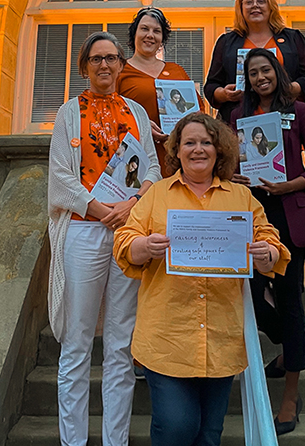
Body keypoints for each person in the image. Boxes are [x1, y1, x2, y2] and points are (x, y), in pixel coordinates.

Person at [113, 112, 290, 446]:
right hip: (167, 337)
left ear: (218, 150)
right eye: (189, 143)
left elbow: (271, 241)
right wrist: (144, 246)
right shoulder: (156, 195)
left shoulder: (241, 199)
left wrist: (268, 252)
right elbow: (124, 243)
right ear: (176, 150)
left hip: (220, 337)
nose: (198, 149)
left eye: (206, 142)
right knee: (176, 426)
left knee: (209, 435)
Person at [48, 31, 161, 446]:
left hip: (127, 234)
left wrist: (131, 206)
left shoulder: (134, 110)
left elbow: (151, 169)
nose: (105, 66)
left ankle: (116, 441)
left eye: (112, 58)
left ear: (120, 63)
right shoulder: (67, 113)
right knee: (76, 344)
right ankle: (73, 441)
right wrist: (101, 210)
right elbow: (61, 178)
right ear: (84, 66)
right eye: (96, 59)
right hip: (83, 230)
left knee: (119, 345)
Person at [231, 48, 305, 436]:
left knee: (290, 298)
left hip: (290, 213)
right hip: (251, 214)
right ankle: (291, 347)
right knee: (253, 294)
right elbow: (231, 166)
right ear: (247, 80)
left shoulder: (301, 113)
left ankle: (290, 395)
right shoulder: (237, 117)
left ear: (278, 72)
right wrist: (237, 177)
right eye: (253, 73)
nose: (260, 78)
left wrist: (292, 184)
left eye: (266, 70)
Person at [204, 0, 305, 125]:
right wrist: (224, 94)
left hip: (285, 119)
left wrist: (290, 88)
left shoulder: (293, 38)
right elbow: (211, 86)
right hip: (237, 121)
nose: (255, 5)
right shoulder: (226, 42)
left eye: (261, 1)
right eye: (248, 2)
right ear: (241, 8)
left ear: (271, 7)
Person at [117, 7, 203, 174]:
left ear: (162, 38)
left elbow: (199, 113)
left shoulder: (177, 71)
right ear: (134, 34)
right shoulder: (119, 71)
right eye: (144, 29)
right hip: (135, 160)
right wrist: (138, 124)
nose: (150, 35)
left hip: (177, 161)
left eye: (157, 31)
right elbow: (106, 113)